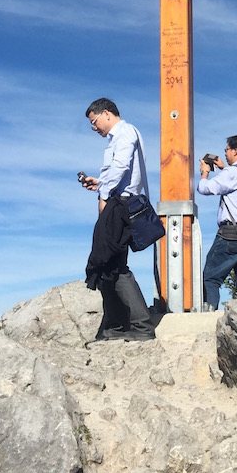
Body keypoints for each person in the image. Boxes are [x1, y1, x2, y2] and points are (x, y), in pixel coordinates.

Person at [80, 98, 155, 341]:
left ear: (107, 113)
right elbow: (119, 172)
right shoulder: (122, 135)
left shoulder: (125, 132)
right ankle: (116, 326)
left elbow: (121, 166)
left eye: (94, 122)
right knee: (106, 266)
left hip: (119, 205)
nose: (94, 128)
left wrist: (104, 194)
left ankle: (140, 326)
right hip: (119, 202)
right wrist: (99, 182)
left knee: (110, 264)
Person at [197, 134, 237, 311]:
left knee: (210, 277)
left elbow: (205, 188)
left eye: (227, 150)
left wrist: (205, 172)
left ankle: (208, 315)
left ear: (235, 151)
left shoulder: (232, 173)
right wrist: (224, 168)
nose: (225, 153)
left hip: (230, 235)